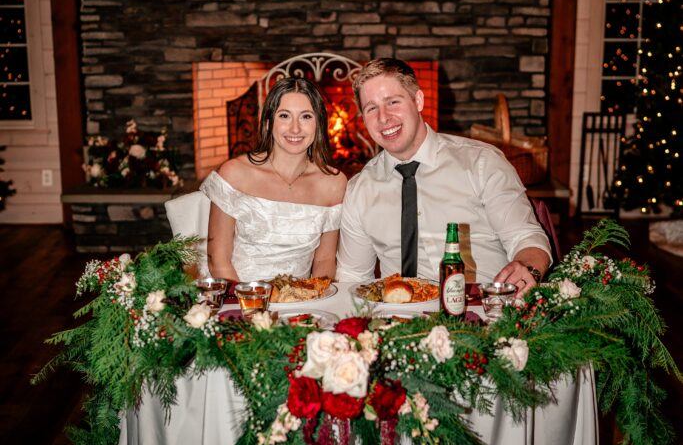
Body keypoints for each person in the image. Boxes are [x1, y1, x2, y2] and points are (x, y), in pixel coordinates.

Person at [335, 58, 551, 294]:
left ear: (418, 100)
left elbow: (525, 237)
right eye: (371, 108)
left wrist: (528, 267)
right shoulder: (359, 189)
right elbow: (353, 278)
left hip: (483, 312)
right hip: (400, 319)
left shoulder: (481, 162)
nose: (383, 117)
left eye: (393, 102)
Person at [201, 77, 347, 282]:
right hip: (238, 299)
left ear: (319, 124)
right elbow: (218, 261)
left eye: (306, 117)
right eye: (285, 116)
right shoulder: (235, 174)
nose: (295, 129)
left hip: (301, 304)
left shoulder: (333, 183)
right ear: (269, 123)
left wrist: (311, 299)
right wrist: (250, 309)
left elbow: (324, 260)